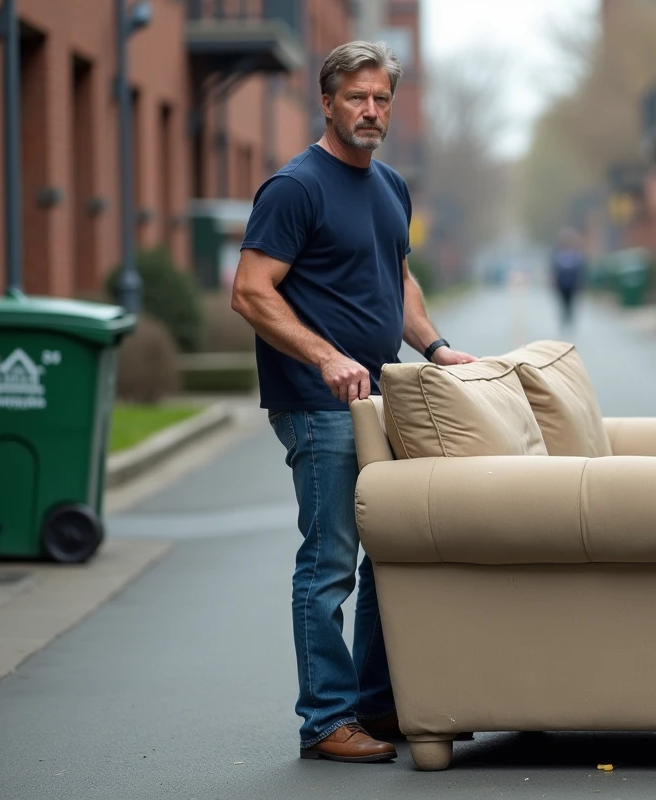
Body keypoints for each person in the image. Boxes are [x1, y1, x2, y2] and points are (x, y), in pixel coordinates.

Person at [230, 40, 476, 763]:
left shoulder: (390, 185)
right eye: (356, 98)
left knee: (388, 557)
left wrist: (434, 348)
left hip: (384, 397)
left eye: (382, 99)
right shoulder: (295, 187)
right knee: (329, 562)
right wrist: (326, 355)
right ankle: (326, 721)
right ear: (327, 101)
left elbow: (396, 282)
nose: (371, 111)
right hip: (317, 402)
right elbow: (249, 290)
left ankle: (377, 704)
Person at [549, 228, 587, 332]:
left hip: (572, 283)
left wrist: (581, 283)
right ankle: (564, 318)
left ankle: (570, 318)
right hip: (562, 283)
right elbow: (554, 269)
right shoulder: (558, 254)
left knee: (571, 302)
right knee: (563, 302)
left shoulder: (576, 254)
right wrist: (553, 281)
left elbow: (581, 269)